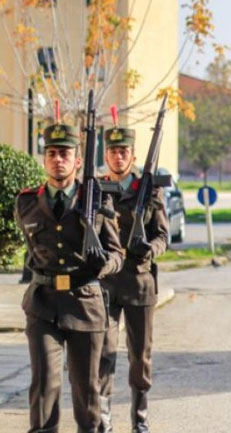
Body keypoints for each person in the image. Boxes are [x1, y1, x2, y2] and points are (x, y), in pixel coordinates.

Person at [14, 122, 123, 433]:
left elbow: (117, 254)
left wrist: (103, 265)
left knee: (87, 389)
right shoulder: (27, 202)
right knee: (44, 383)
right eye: (51, 153)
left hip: (85, 305)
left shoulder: (98, 201)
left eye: (64, 153)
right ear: (44, 159)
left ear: (77, 160)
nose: (57, 159)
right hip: (43, 304)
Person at [98, 125, 169, 433]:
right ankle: (103, 419)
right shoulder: (97, 189)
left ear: (132, 155)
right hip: (105, 285)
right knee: (104, 352)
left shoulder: (149, 189)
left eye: (123, 151)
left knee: (140, 356)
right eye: (113, 151)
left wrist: (149, 248)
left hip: (140, 282)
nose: (118, 156)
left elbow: (164, 236)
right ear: (106, 155)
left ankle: (139, 418)